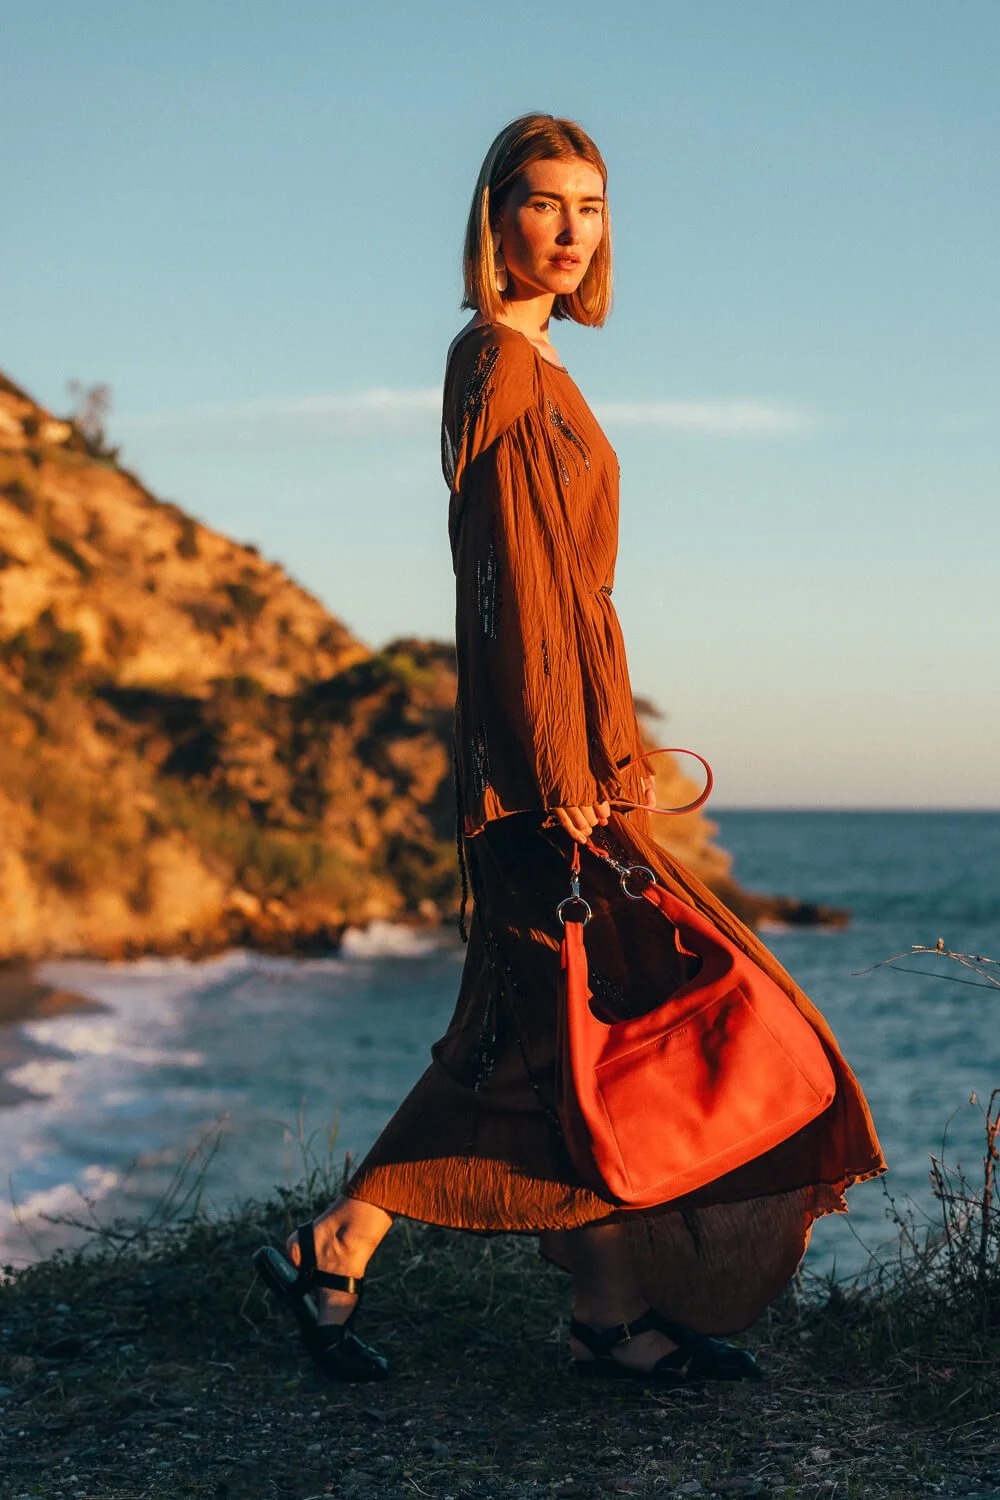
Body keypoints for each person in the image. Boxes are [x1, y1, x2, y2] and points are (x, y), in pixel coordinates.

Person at [254, 113, 885, 1385]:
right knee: (547, 1025)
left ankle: (595, 1304)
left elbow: (561, 595)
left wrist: (603, 744)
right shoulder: (495, 360)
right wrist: (567, 770)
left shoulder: (535, 367)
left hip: (566, 742)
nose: (566, 230)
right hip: (543, 765)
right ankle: (344, 1237)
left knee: (557, 1029)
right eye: (542, 204)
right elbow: (518, 590)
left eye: (588, 209)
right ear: (493, 221)